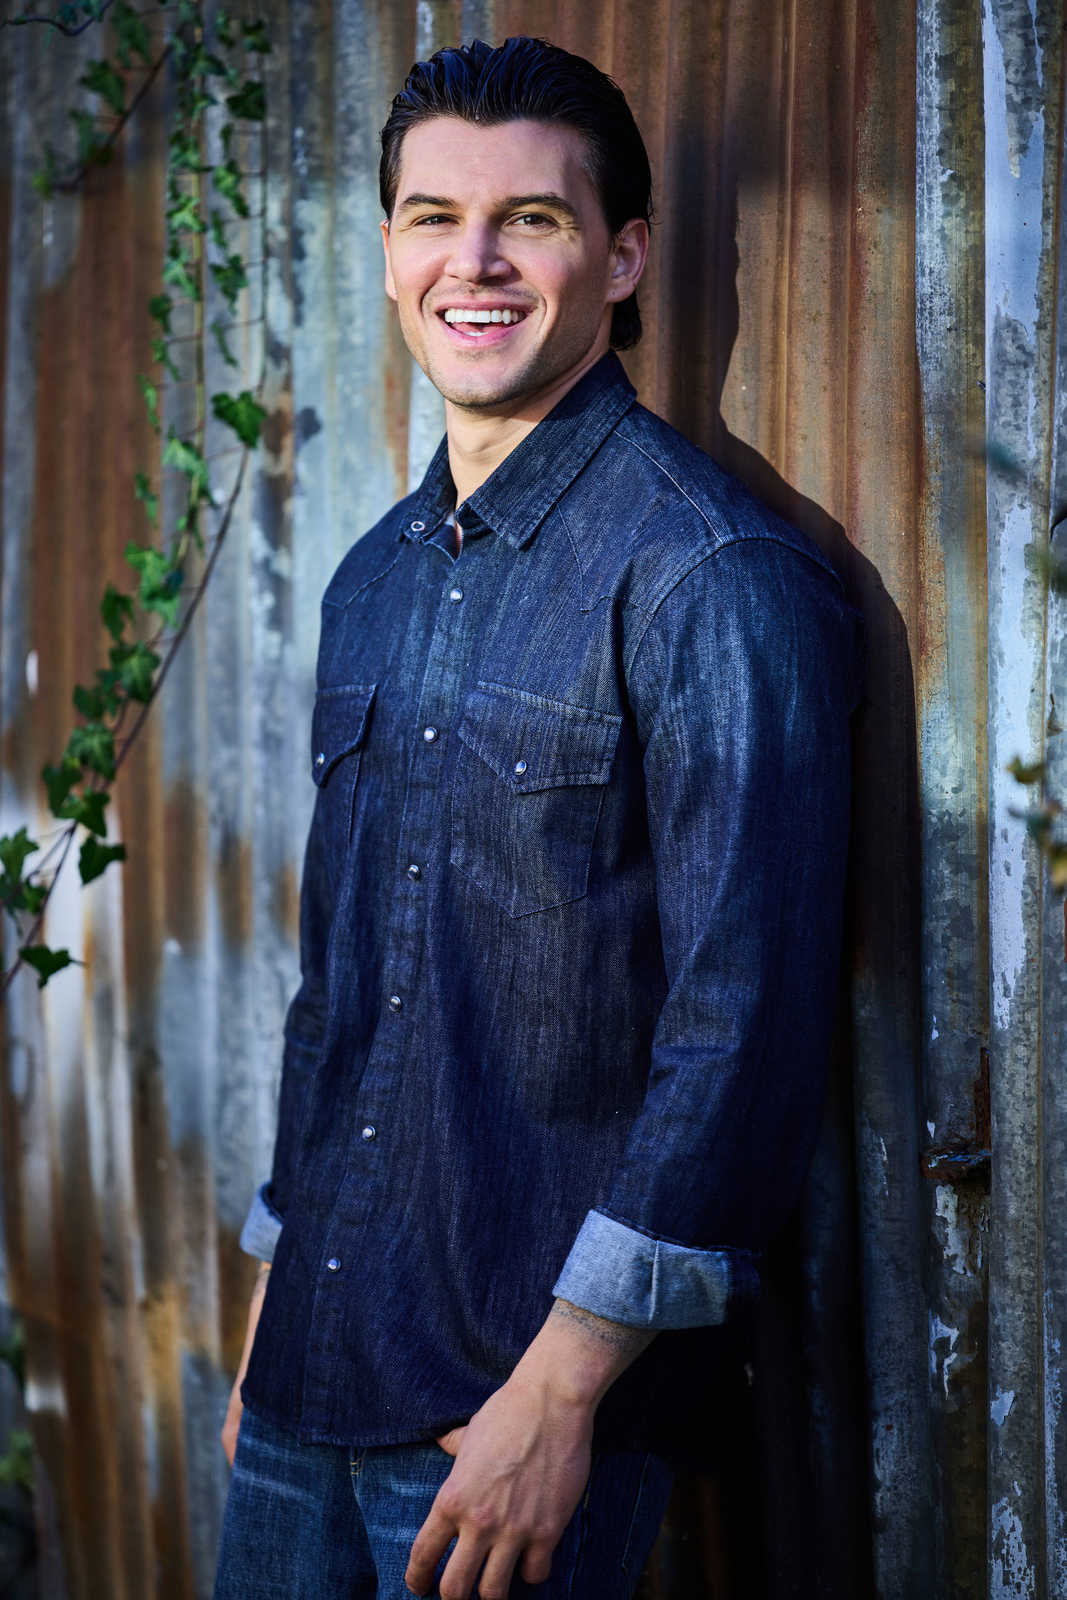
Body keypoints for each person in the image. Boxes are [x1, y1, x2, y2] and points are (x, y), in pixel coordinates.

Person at [213, 35, 858, 1600]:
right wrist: (275, 1307)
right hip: (306, 1379)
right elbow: (338, 997)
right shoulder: (373, 577)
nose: (476, 261)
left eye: (534, 221)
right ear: (389, 253)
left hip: (507, 1421)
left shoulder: (710, 577)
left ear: (622, 257)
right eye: (434, 218)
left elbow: (744, 1030)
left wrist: (561, 1396)